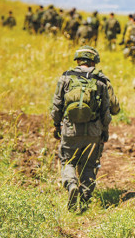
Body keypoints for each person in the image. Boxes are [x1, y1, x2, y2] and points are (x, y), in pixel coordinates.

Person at [50, 46, 120, 212]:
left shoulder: (65, 78)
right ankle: (84, 198)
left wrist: (56, 125)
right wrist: (105, 132)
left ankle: (72, 184)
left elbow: (57, 105)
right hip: (93, 130)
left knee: (68, 160)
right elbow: (106, 112)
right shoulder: (101, 80)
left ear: (77, 60)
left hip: (70, 129)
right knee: (90, 164)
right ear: (94, 61)